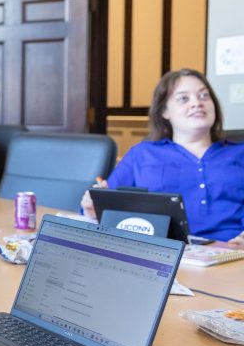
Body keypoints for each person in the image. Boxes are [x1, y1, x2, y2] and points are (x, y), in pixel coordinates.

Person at [81, 68, 244, 244]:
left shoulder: (239, 153)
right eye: (184, 98)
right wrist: (91, 207)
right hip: (163, 252)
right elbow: (105, 206)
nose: (197, 103)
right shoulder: (142, 154)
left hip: (232, 254)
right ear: (165, 111)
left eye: (204, 96)